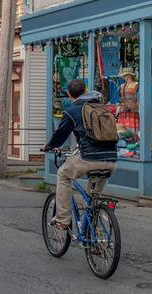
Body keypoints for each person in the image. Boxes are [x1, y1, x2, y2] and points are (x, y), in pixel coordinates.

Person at [40, 78, 118, 230]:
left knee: (63, 174)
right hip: (111, 160)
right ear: (85, 91)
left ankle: (62, 219)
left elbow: (60, 135)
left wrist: (49, 146)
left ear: (69, 94)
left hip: (90, 159)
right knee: (93, 197)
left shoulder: (73, 111)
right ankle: (100, 234)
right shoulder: (102, 108)